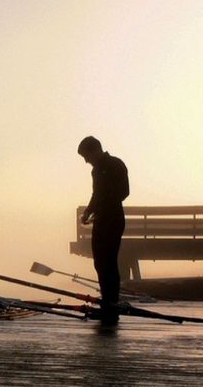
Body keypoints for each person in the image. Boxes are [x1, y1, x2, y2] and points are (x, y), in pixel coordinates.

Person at [78, 136, 129, 325]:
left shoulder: (116, 164)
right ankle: (106, 305)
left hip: (113, 219)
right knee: (100, 263)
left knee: (109, 263)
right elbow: (95, 194)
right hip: (100, 220)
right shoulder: (96, 171)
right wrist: (88, 211)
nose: (86, 161)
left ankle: (111, 306)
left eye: (86, 156)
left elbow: (124, 192)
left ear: (95, 150)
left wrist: (103, 204)